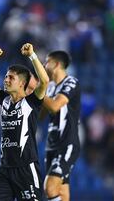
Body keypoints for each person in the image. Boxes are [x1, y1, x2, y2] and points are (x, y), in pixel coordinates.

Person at [0, 43, 49, 201]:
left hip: (26, 168)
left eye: (10, 77)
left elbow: (45, 81)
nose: (6, 80)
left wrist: (32, 56)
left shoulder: (31, 102)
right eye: (6, 76)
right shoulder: (4, 100)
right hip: (4, 170)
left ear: (21, 83)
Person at [42, 51, 81, 201]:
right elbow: (41, 115)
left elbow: (55, 106)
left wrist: (37, 92)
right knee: (62, 193)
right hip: (51, 145)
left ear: (57, 64)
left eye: (47, 62)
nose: (45, 66)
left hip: (67, 143)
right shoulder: (50, 87)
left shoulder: (71, 82)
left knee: (50, 187)